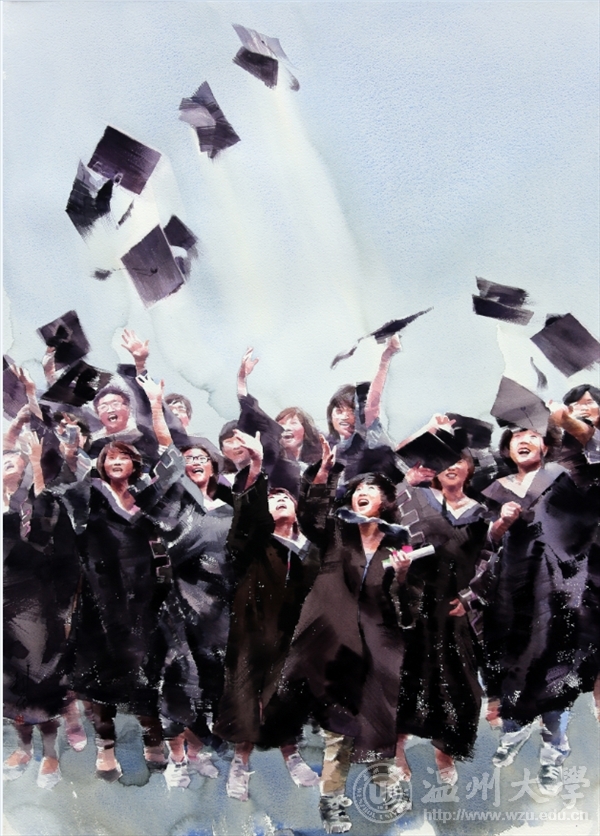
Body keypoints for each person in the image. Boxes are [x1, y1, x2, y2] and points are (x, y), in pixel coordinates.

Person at [276, 438, 418, 833]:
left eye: (370, 489)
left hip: (378, 647)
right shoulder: (336, 530)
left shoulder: (400, 543)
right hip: (330, 643)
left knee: (378, 719)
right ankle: (332, 801)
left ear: (385, 502)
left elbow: (408, 608)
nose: (361, 494)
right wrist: (324, 472)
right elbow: (311, 515)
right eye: (357, 489)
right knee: (337, 729)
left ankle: (384, 784)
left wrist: (402, 576)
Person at [480, 426, 597, 796]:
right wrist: (501, 522)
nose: (523, 440)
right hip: (512, 586)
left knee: (553, 667)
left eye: (531, 435)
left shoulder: (561, 479)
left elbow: (584, 524)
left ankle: (553, 753)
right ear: (506, 449)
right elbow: (485, 540)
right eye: (516, 436)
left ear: (545, 446)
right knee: (512, 662)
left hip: (557, 585)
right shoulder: (495, 489)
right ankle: (514, 731)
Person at [134, 375, 235, 789]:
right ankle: (176, 756)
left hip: (216, 606)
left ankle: (196, 749)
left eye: (202, 458)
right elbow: (165, 445)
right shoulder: (177, 500)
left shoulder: (227, 511)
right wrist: (156, 403)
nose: (193, 461)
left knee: (211, 679)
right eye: (188, 457)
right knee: (178, 677)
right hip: (176, 600)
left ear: (214, 467)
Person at [214, 432, 322, 801]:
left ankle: (292, 755)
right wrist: (257, 465)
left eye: (285, 498)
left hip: (294, 634)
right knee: (246, 694)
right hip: (253, 632)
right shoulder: (254, 543)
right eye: (271, 499)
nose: (279, 501)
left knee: (287, 695)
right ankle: (240, 762)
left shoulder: (310, 549)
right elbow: (245, 518)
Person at [69, 441, 167, 782]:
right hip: (100, 600)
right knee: (100, 676)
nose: (116, 461)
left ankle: (152, 735)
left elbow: (163, 546)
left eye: (123, 456)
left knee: (144, 672)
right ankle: (106, 746)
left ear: (135, 464)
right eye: (110, 457)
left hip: (141, 601)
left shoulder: (146, 500)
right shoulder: (89, 495)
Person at [394, 454, 490, 785]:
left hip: (455, 607)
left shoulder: (480, 512)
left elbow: (489, 558)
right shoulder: (415, 497)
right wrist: (407, 482)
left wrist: (469, 598)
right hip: (415, 601)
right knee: (408, 677)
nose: (451, 467)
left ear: (469, 470)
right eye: (444, 461)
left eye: (458, 461)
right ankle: (397, 747)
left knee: (460, 682)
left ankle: (445, 750)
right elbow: (388, 522)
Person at [3, 428, 81, 789]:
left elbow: (44, 523)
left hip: (33, 602)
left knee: (40, 678)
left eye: (14, 461)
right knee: (9, 682)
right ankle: (23, 749)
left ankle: (50, 754)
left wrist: (35, 461)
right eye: (4, 460)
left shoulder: (29, 506)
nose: (8, 464)